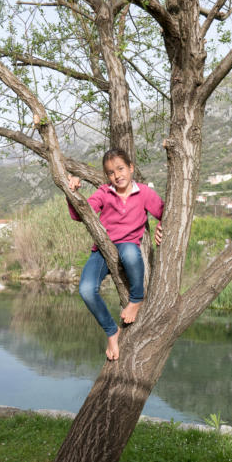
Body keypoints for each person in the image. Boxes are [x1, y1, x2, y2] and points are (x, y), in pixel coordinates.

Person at [67, 148, 164, 361]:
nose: (117, 175)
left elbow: (165, 211)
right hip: (102, 249)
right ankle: (112, 331)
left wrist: (161, 225)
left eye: (120, 169)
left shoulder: (145, 193)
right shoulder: (104, 192)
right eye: (111, 172)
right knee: (85, 289)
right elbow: (80, 214)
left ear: (131, 168)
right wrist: (71, 192)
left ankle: (137, 298)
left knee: (130, 253)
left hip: (128, 244)